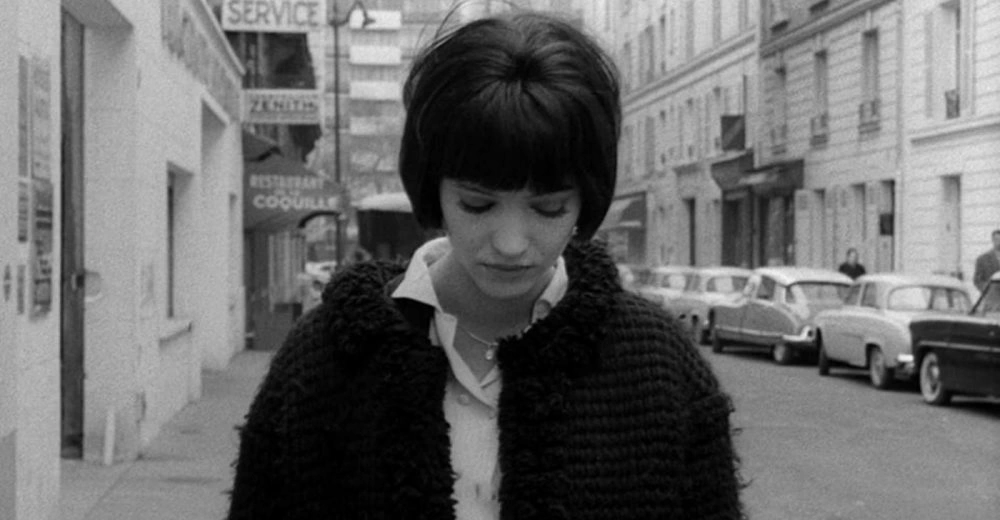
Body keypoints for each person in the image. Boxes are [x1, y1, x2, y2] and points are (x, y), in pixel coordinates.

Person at [227, 10, 744, 520]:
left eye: (548, 208)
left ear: (587, 199)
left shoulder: (658, 366)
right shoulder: (329, 357)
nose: (512, 243)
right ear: (433, 189)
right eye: (477, 204)